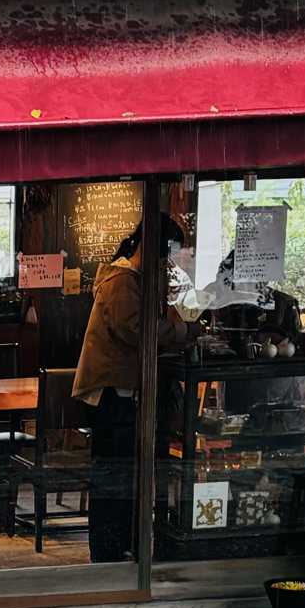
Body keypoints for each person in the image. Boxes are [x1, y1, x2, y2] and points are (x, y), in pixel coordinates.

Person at [69, 216, 185, 563]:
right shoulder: (122, 280)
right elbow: (134, 330)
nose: (168, 264)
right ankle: (108, 550)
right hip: (112, 395)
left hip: (118, 394)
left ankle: (120, 546)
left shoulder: (130, 278)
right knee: (114, 476)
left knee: (121, 475)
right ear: (150, 248)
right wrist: (180, 330)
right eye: (166, 255)